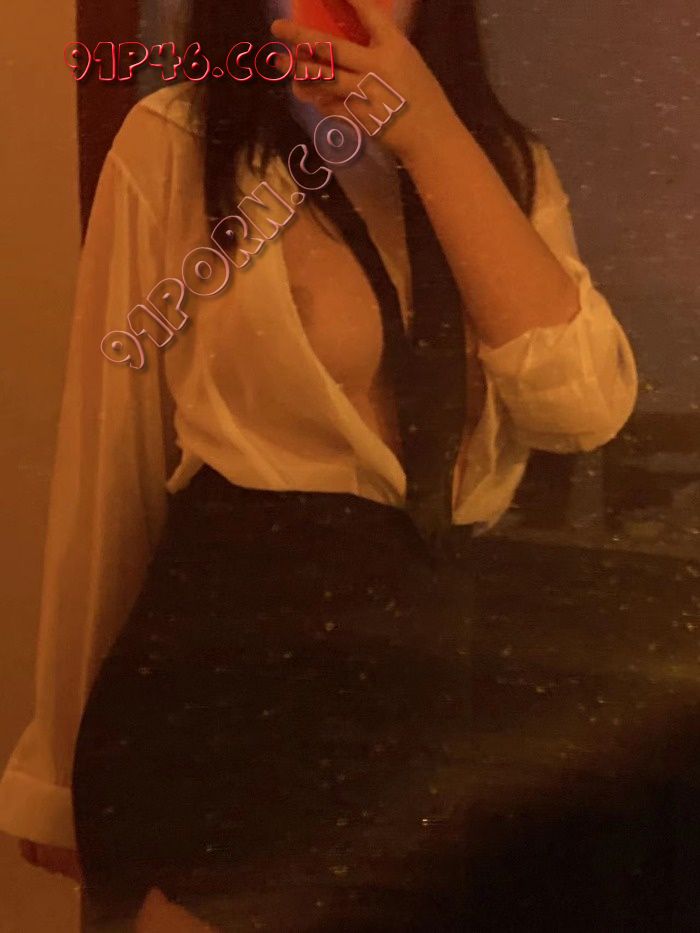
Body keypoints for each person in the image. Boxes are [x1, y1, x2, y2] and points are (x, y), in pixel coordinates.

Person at [0, 0, 637, 928]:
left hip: (432, 713)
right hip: (219, 701)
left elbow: (581, 408)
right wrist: (57, 777)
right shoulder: (178, 143)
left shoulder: (503, 164)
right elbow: (110, 473)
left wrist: (429, 133)